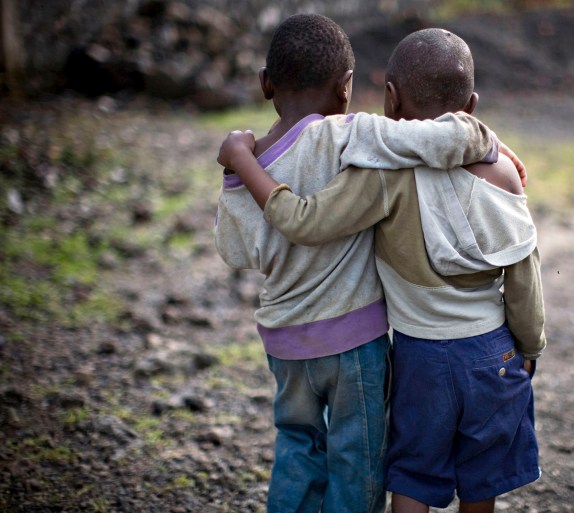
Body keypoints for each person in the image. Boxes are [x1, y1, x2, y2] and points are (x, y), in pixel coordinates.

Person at [218, 28, 546, 513]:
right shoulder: (486, 172)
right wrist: (530, 343)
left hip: (363, 350)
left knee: (383, 464)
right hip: (450, 348)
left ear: (389, 98)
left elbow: (272, 234)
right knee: (459, 473)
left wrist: (242, 159)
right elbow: (524, 270)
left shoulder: (369, 173)